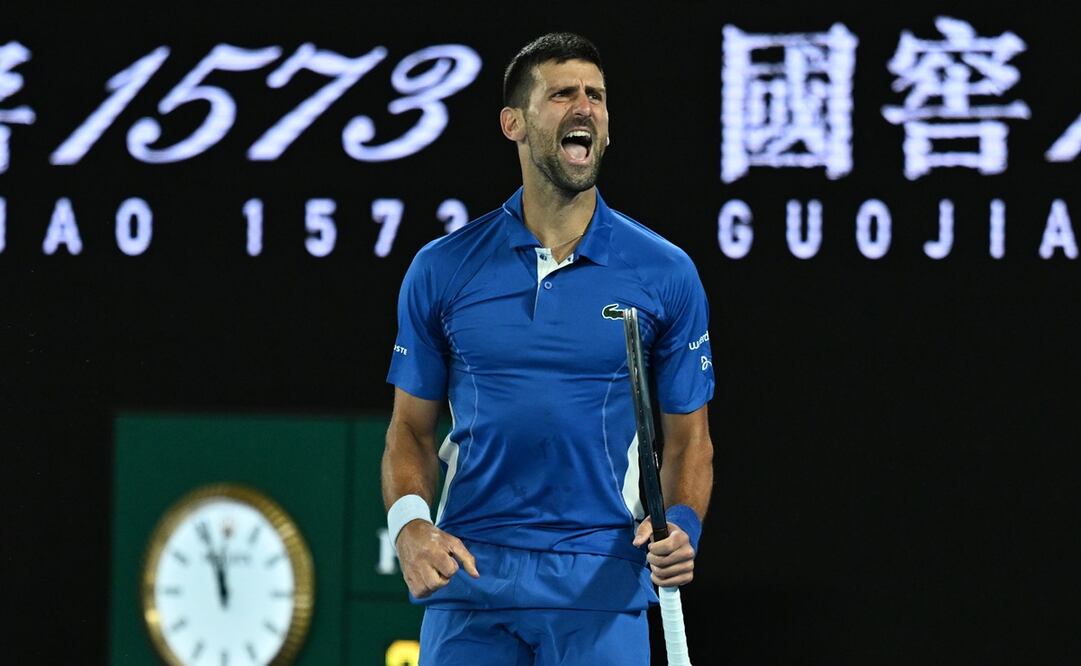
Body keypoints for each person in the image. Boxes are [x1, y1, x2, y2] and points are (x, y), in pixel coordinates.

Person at [382, 32, 714, 665]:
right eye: (563, 94)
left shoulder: (665, 273)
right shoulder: (441, 269)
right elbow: (410, 432)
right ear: (515, 123)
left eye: (597, 96)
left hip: (601, 585)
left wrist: (684, 526)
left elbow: (689, 441)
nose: (585, 107)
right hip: (471, 580)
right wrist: (410, 525)